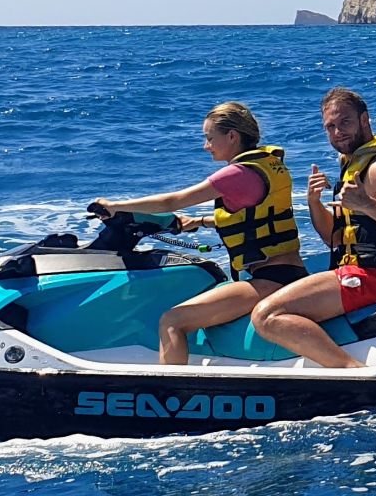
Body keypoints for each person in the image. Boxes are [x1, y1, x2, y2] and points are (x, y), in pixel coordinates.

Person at [89, 101, 303, 365]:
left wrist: (114, 206)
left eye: (210, 138)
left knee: (172, 321)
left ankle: (169, 397)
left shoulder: (237, 173)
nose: (206, 146)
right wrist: (199, 221)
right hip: (287, 271)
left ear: (232, 136)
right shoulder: (268, 164)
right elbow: (255, 217)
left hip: (270, 280)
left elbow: (173, 201)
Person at [249, 87, 376, 369]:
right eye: (330, 127)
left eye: (344, 122)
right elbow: (333, 240)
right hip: (357, 272)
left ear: (365, 119)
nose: (337, 132)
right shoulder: (352, 165)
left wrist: (369, 205)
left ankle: (352, 372)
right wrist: (314, 202)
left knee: (266, 316)